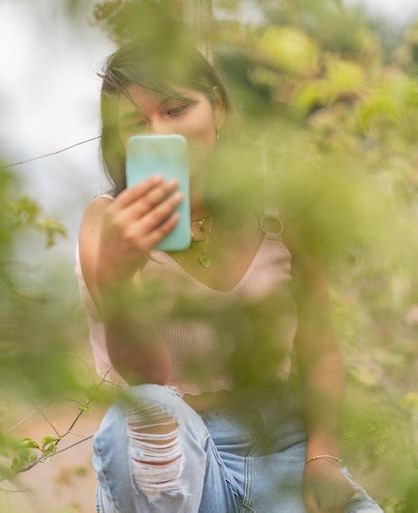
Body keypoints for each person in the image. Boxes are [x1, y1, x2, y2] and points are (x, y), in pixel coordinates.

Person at [75, 40, 384, 512]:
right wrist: (118, 278)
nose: (161, 133)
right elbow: (147, 377)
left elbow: (319, 340)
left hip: (281, 446)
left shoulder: (280, 212)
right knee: (137, 416)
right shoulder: (109, 225)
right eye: (138, 123)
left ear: (217, 107)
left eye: (175, 110)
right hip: (173, 460)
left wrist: (322, 456)